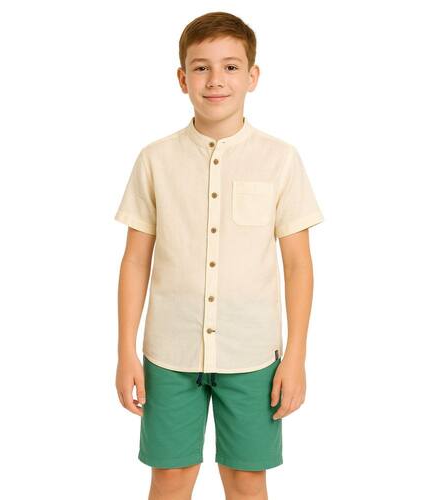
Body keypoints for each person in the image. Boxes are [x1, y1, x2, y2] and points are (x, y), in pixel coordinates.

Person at [114, 11, 324, 500]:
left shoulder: (280, 159)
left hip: (252, 355)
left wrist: (296, 355)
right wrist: (126, 351)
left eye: (231, 67)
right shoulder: (155, 159)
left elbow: (298, 265)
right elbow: (134, 261)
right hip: (169, 354)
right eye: (201, 67)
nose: (215, 80)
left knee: (247, 481)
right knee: (170, 477)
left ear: (252, 76)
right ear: (182, 78)